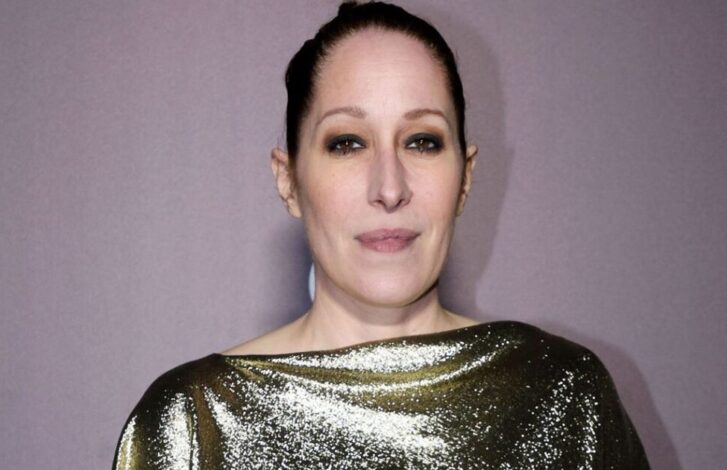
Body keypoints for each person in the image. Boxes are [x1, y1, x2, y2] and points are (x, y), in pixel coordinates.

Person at [112, 2, 649, 468]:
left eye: (422, 141)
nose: (390, 188)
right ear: (288, 180)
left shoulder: (563, 394)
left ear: (465, 178)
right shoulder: (192, 424)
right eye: (347, 142)